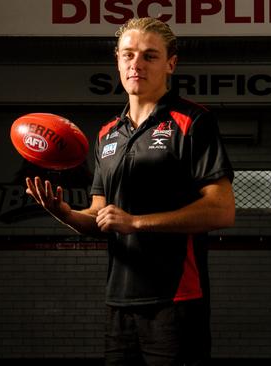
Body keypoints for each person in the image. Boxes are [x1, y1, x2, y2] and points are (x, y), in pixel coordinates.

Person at [26, 17, 235, 365]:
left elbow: (222, 210)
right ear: (118, 61)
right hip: (119, 301)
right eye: (128, 55)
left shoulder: (193, 122)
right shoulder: (108, 134)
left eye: (149, 56)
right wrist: (63, 213)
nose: (136, 64)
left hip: (176, 300)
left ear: (171, 64)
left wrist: (136, 222)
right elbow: (100, 217)